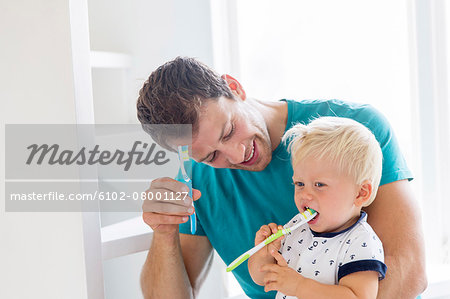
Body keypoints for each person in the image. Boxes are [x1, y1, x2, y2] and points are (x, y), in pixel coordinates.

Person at [136, 57, 426, 298]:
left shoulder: (355, 132)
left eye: (228, 130)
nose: (236, 155)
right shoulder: (196, 182)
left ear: (234, 88)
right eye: (211, 157)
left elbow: (409, 271)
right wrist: (163, 233)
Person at [248, 117, 386, 298]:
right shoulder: (297, 226)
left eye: (319, 185)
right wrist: (264, 253)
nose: (305, 194)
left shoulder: (361, 241)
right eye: (299, 184)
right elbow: (263, 278)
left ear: (360, 193)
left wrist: (299, 287)